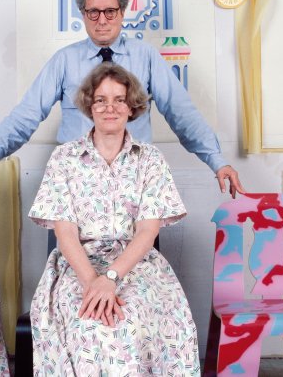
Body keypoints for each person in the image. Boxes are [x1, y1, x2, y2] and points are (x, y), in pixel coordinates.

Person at [0, 0, 245, 196]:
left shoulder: (146, 57)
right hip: (75, 181)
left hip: (135, 180)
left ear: (122, 11)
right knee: (71, 264)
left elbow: (182, 114)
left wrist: (217, 161)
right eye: (93, 12)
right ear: (82, 14)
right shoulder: (64, 60)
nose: (102, 21)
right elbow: (26, 114)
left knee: (138, 264)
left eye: (110, 11)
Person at [28, 63, 200, 375]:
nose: (110, 108)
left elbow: (147, 233)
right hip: (77, 263)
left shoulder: (150, 159)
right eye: (101, 100)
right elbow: (65, 235)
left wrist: (110, 280)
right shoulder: (64, 159)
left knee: (130, 317)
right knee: (88, 322)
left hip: (135, 262)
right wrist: (93, 282)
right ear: (88, 105)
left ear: (131, 106)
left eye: (119, 99)